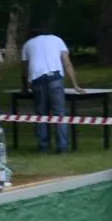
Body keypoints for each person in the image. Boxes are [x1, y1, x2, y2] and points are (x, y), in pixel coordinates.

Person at [20, 25, 80, 153]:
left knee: (41, 115)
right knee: (59, 114)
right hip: (55, 78)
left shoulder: (27, 44)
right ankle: (62, 147)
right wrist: (75, 85)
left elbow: (24, 70)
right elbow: (67, 63)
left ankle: (43, 146)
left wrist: (25, 87)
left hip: (37, 79)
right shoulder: (57, 40)